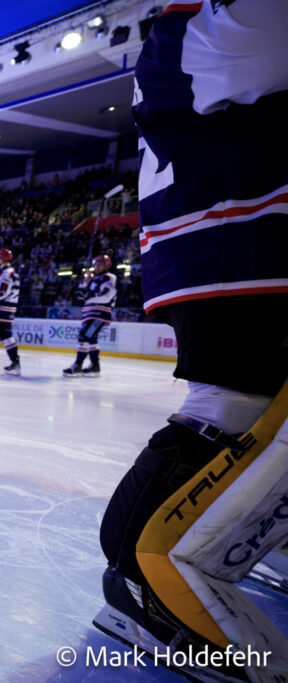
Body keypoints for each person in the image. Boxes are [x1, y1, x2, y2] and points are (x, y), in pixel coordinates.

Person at [94, 3, 288, 679]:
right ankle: (167, 571)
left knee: (241, 404)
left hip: (226, 244)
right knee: (246, 408)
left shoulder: (191, 31)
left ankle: (237, 531)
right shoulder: (212, 21)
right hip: (245, 241)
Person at [62, 255, 116, 377]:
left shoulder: (109, 277)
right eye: (95, 264)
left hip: (100, 313)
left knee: (84, 336)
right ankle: (95, 366)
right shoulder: (92, 279)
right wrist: (82, 286)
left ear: (107, 265)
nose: (96, 266)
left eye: (100, 264)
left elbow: (106, 296)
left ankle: (78, 365)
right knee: (91, 339)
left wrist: (88, 294)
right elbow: (83, 295)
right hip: (89, 313)